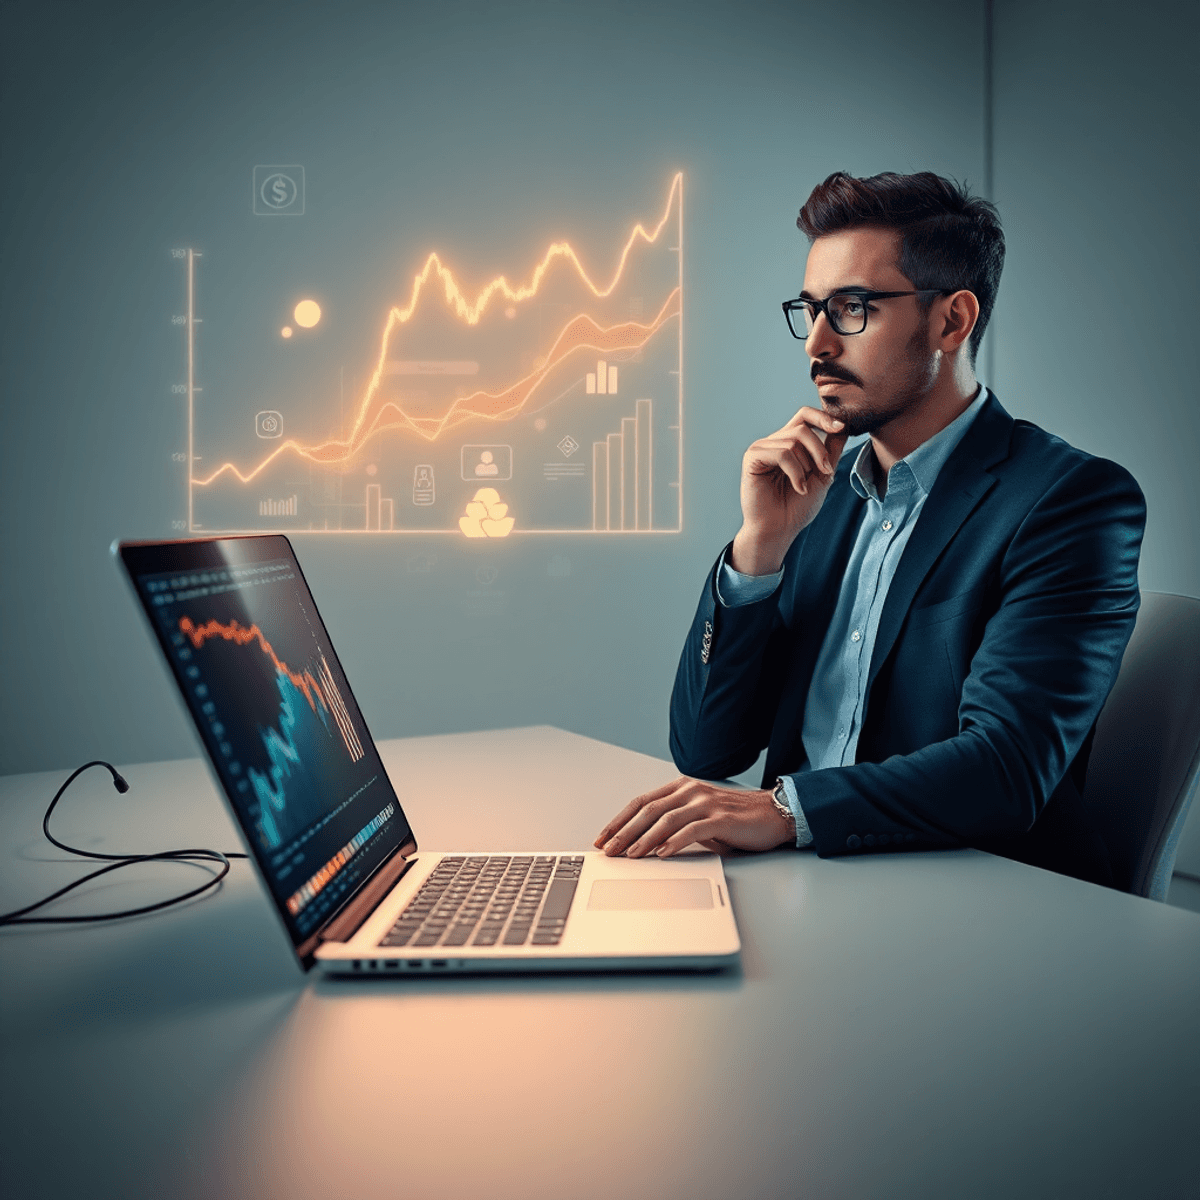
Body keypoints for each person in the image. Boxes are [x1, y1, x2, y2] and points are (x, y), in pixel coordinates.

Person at [595, 170, 1145, 887]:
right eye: (810, 310)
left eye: (852, 308)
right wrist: (760, 549)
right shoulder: (818, 496)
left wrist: (786, 810)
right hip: (806, 882)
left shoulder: (1069, 501)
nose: (817, 344)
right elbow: (705, 750)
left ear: (952, 321)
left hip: (968, 895)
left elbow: (1006, 768)